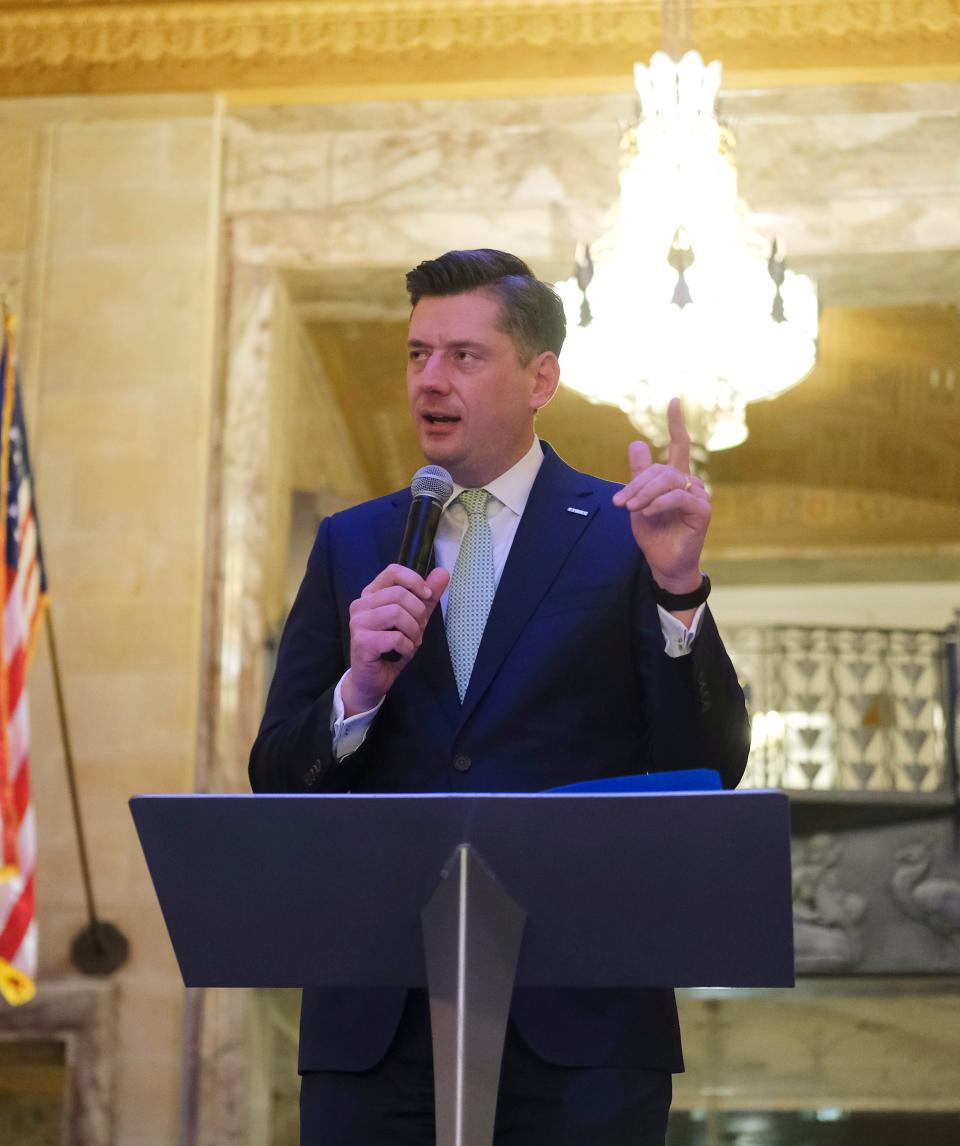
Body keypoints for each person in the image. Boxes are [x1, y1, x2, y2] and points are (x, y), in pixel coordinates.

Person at [249, 249, 750, 1145]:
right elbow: (278, 779)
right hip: (378, 1027)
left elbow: (707, 768)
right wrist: (357, 689)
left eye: (464, 356)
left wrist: (678, 592)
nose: (429, 381)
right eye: (416, 355)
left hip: (583, 1027)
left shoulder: (627, 530)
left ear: (541, 376)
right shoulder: (350, 543)